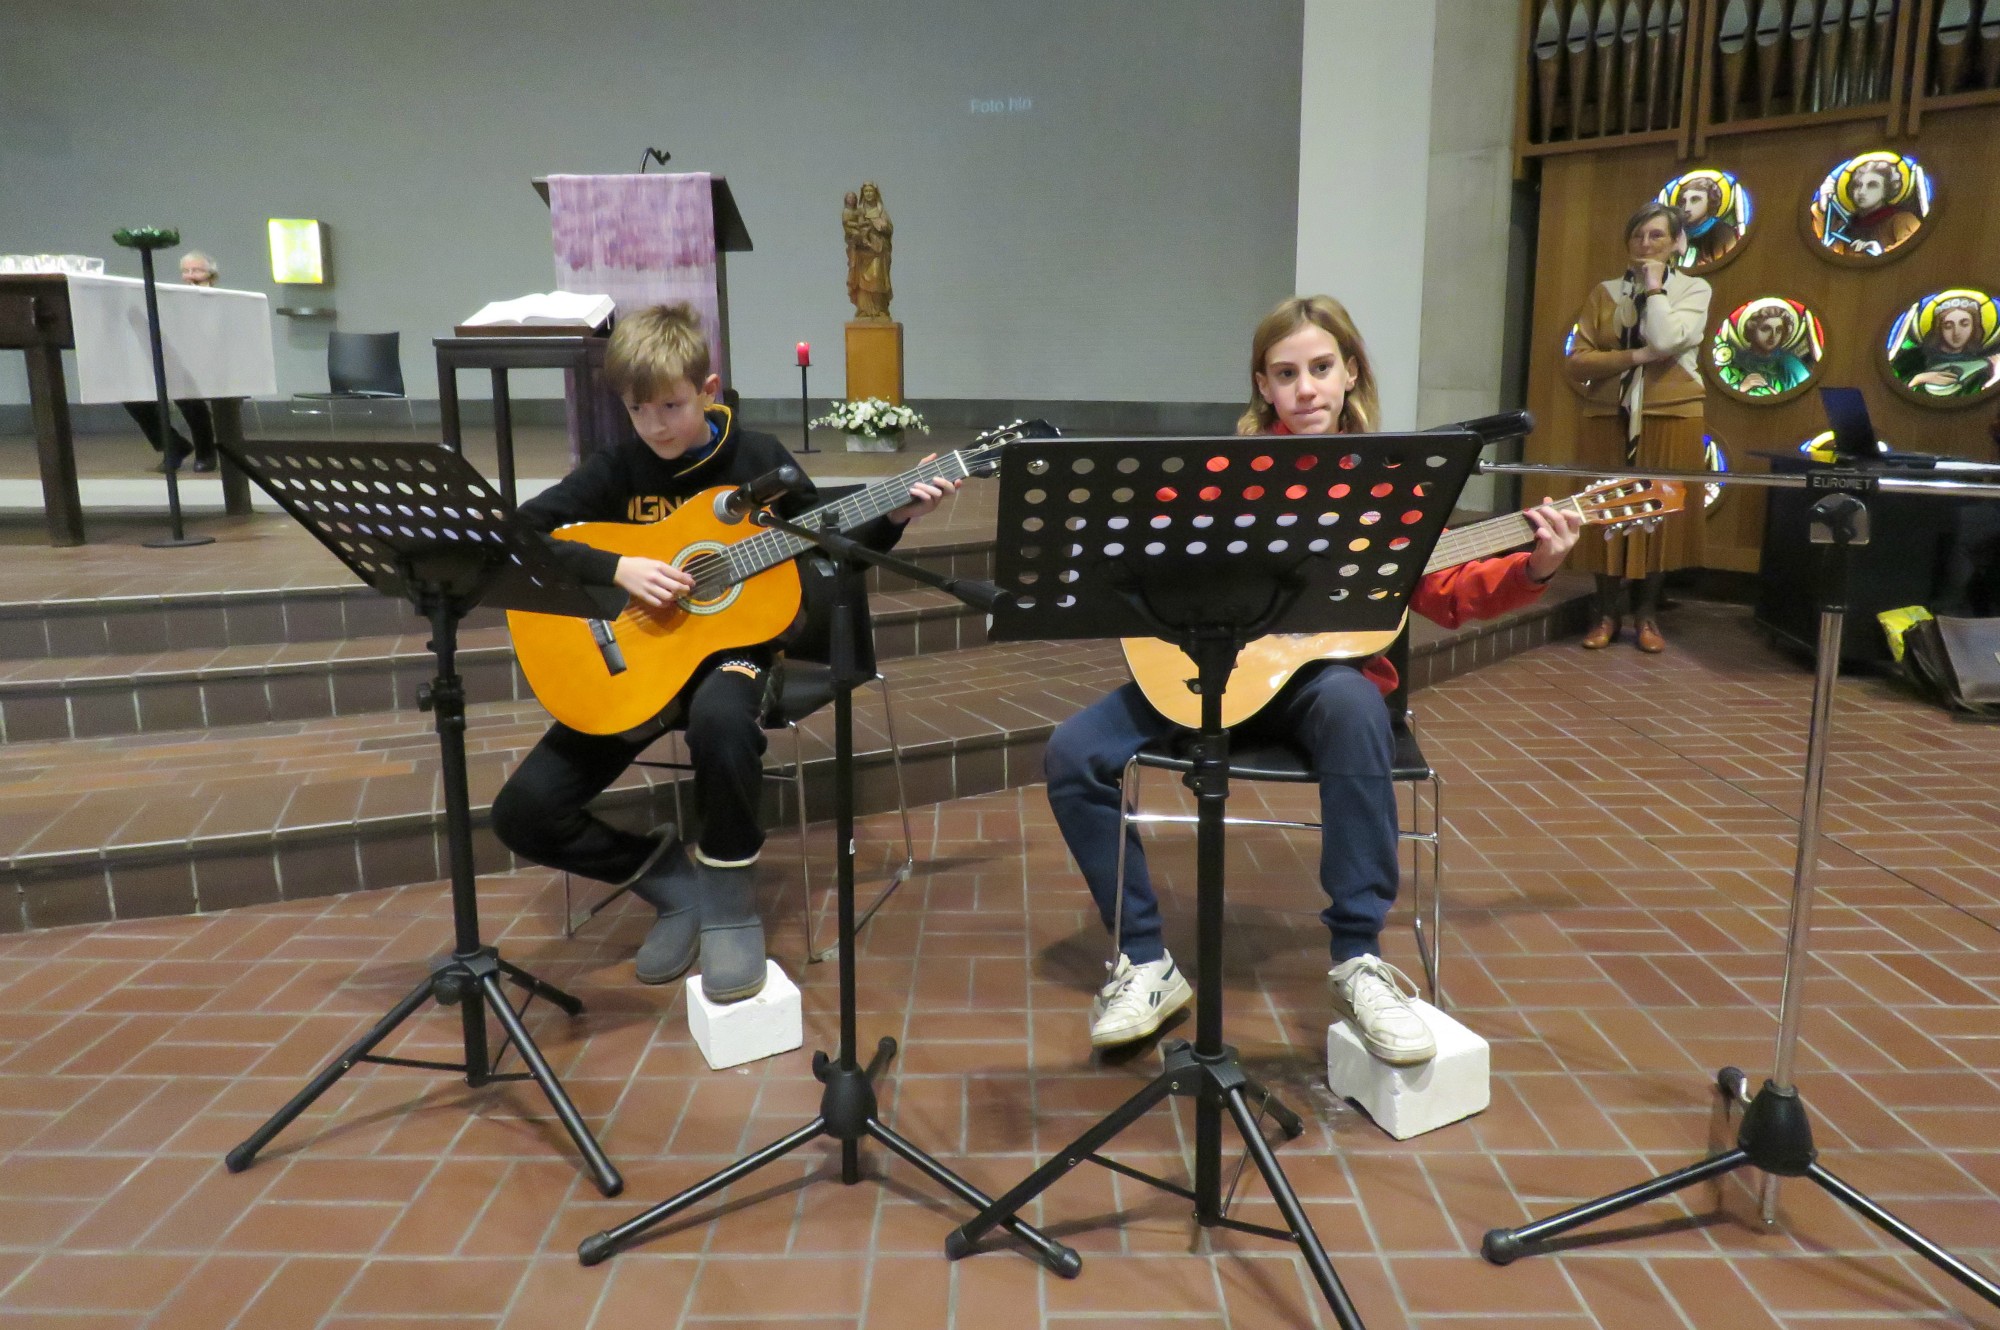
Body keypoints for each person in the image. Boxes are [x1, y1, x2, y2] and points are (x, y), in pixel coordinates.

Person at [1044, 295, 1582, 1065]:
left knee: (1358, 705)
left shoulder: (1394, 482)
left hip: (1313, 687)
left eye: (1322, 368)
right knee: (1073, 751)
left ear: (1350, 371)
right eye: (1286, 373)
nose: (1307, 388)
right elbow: (1144, 562)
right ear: (1262, 385)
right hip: (1205, 672)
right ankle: (1146, 960)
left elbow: (1448, 594)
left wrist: (1538, 562)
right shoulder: (1218, 477)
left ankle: (1359, 959)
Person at [490, 303, 957, 1002]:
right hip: (633, 662)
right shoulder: (618, 467)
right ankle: (671, 881)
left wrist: (892, 514)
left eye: (672, 406)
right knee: (522, 812)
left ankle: (730, 905)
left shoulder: (758, 458)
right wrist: (617, 570)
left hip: (732, 653)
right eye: (638, 410)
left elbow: (828, 547)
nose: (655, 426)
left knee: (721, 721)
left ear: (708, 388)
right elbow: (520, 533)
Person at [1564, 202, 1712, 653]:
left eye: (1657, 236)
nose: (1646, 244)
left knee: (1658, 515)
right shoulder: (1604, 292)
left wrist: (1654, 288)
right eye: (1638, 236)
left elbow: (1668, 339)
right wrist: (1635, 357)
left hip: (1672, 410)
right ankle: (1606, 613)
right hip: (1608, 411)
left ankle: (1646, 615)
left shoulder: (1693, 289)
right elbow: (1578, 361)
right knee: (1605, 511)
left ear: (1676, 244)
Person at [123, 250, 222, 473]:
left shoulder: (221, 298)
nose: (189, 275)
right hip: (171, 360)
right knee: (133, 398)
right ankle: (172, 444)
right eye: (185, 271)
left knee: (187, 394)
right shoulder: (174, 298)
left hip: (205, 364)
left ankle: (206, 452)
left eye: (196, 270)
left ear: (211, 274)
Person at [1828, 156, 1921, 257]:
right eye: (1857, 185)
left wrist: (1880, 251)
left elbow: (1917, 250)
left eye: (1872, 185)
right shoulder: (1844, 228)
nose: (1861, 192)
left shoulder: (1903, 220)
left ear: (1887, 189)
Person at [1725, 303, 1812, 396]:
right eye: (1766, 329)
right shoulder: (1736, 360)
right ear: (1751, 330)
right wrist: (1742, 388)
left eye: (1778, 330)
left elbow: (1807, 396)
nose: (1773, 336)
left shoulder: (1791, 364)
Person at [1672, 174, 1738, 269]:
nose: (1686, 208)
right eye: (1683, 201)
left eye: (1695, 200)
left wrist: (1686, 252)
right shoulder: (1677, 233)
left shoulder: (1724, 233)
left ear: (1711, 201)